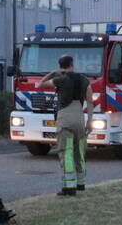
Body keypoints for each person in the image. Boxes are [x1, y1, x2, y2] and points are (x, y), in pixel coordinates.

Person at [39, 55, 93, 197]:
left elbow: (40, 84)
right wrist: (90, 121)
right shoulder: (84, 80)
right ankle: (80, 183)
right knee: (80, 151)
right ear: (72, 64)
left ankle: (69, 188)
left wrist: (53, 73)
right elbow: (90, 101)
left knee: (66, 151)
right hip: (80, 118)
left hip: (65, 118)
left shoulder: (60, 79)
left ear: (60, 65)